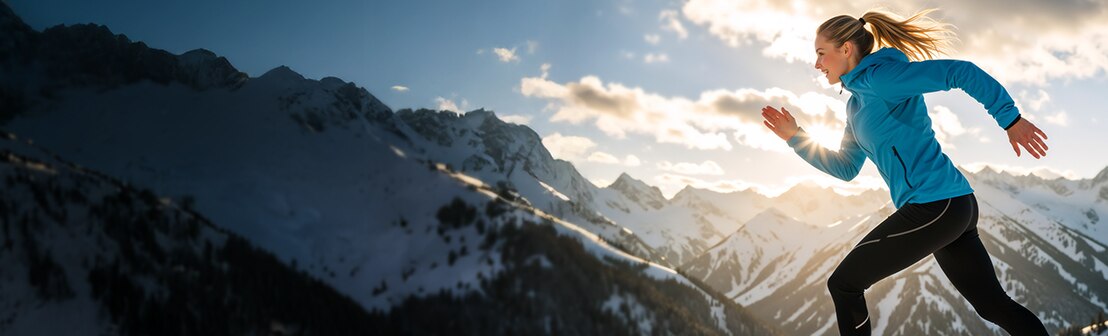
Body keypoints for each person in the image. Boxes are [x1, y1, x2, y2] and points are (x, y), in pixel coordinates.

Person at [760, 9, 1050, 336]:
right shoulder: (855, 105)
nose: (817, 64)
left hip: (936, 204)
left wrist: (1010, 119)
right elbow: (846, 168)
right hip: (950, 205)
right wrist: (796, 138)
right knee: (993, 305)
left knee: (844, 285)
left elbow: (960, 72)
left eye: (821, 54)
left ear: (845, 49)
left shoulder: (884, 80)